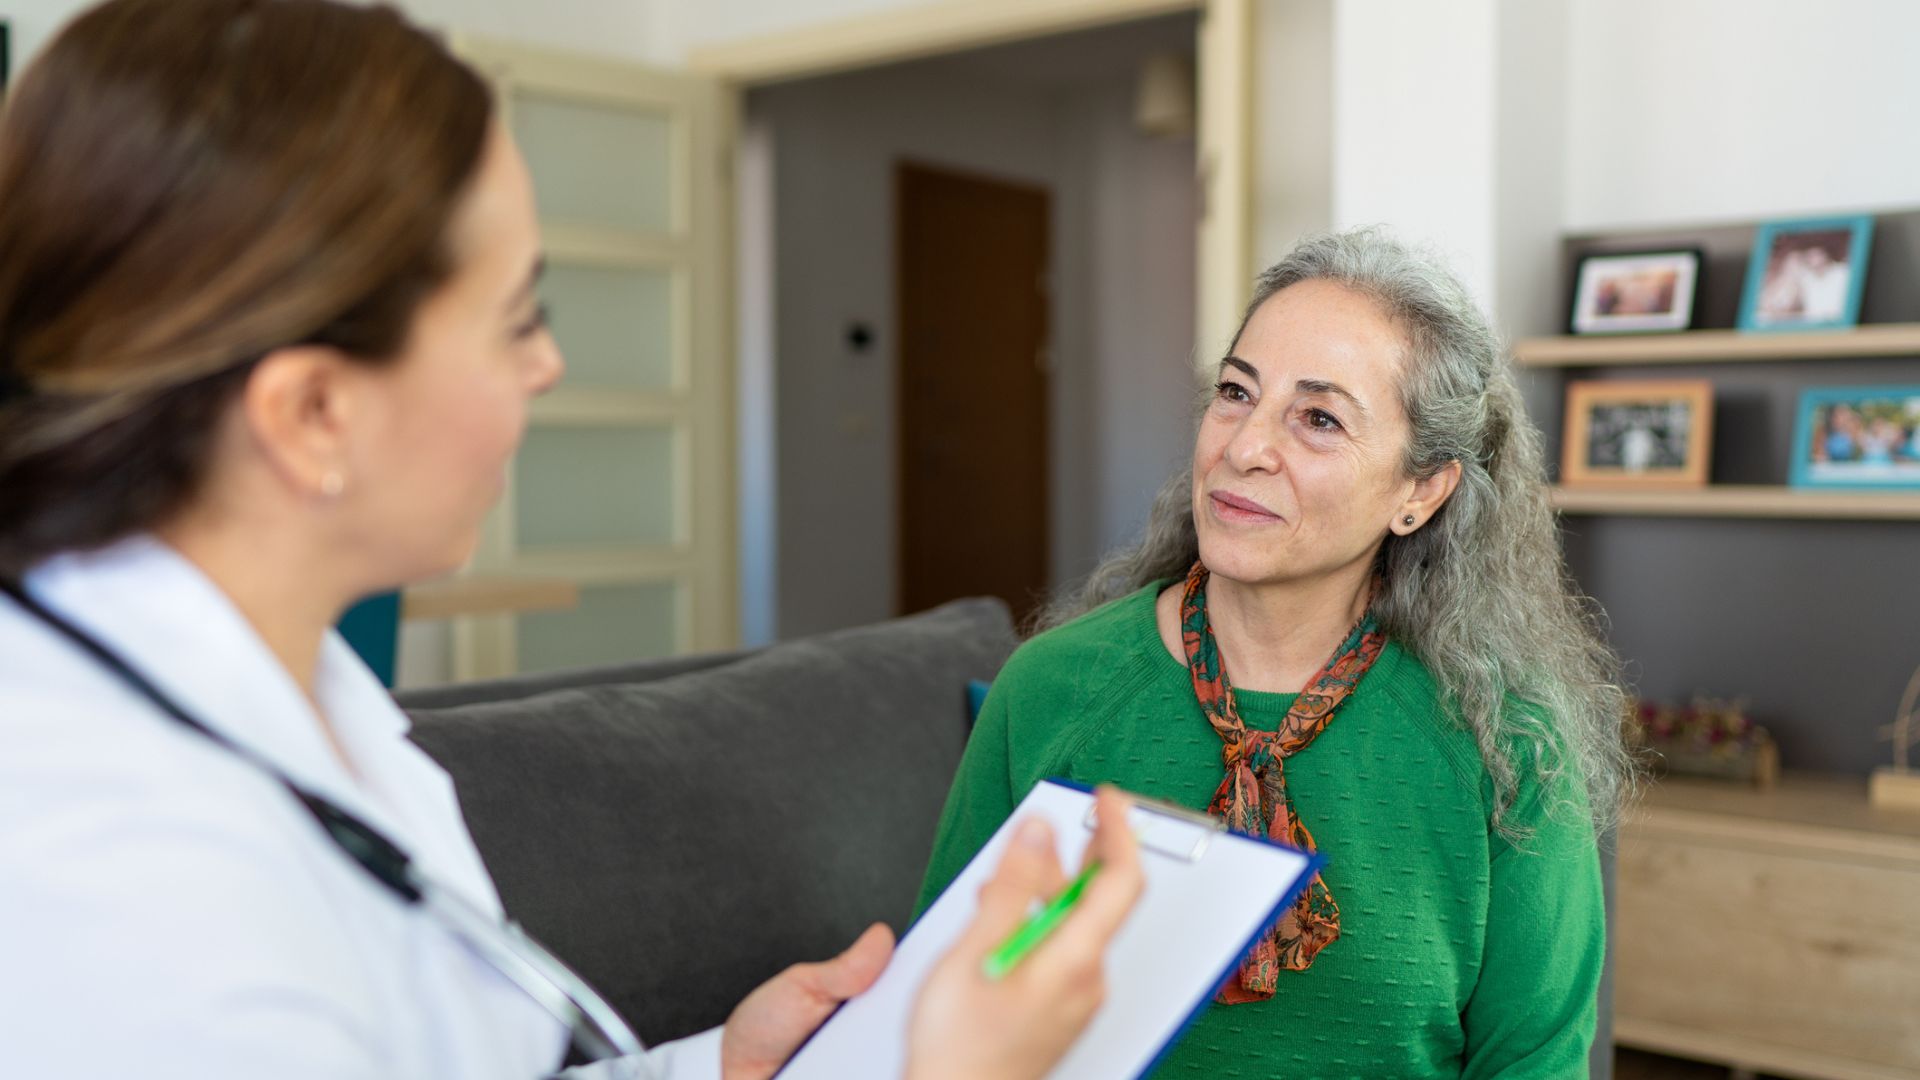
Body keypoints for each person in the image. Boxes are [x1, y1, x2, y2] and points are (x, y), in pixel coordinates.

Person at [0, 2, 1143, 1078]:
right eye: (516, 320)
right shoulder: (115, 892)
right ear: (312, 415)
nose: (548, 367)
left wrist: (717, 1066)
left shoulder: (302, 686)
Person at [919, 228, 1635, 1077]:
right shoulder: (1046, 689)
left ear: (1421, 490)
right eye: (1235, 392)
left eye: (1318, 418)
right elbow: (941, 1008)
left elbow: (1535, 1061)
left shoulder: (1511, 740)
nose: (1243, 447)